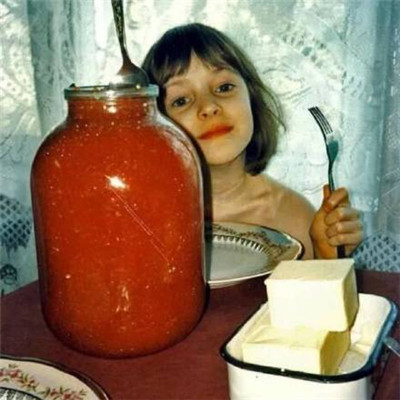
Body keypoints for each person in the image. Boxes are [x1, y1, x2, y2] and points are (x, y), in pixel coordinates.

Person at [142, 23, 363, 259]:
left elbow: (316, 283)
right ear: (153, 124)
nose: (208, 106)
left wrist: (327, 257)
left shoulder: (295, 220)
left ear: (252, 100)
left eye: (224, 87)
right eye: (181, 101)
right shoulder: (142, 220)